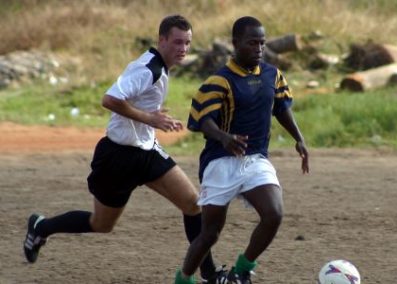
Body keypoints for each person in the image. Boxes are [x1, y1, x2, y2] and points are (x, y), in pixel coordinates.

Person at [23, 14, 226, 283]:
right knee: (101, 224)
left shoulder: (160, 68)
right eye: (177, 42)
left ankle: (210, 275)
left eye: (187, 43)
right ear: (161, 39)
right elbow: (109, 99)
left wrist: (151, 119)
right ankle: (41, 227)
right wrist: (150, 118)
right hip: (118, 156)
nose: (183, 49)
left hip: (146, 152)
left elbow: (136, 105)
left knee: (192, 204)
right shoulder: (147, 69)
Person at [174, 16, 309, 284]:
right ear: (235, 44)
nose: (259, 48)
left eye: (262, 43)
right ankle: (184, 279)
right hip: (220, 162)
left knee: (274, 214)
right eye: (252, 43)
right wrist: (224, 137)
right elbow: (201, 120)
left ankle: (241, 270)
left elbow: (282, 108)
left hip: (255, 160)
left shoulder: (273, 74)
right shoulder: (219, 80)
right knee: (210, 233)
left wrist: (299, 138)